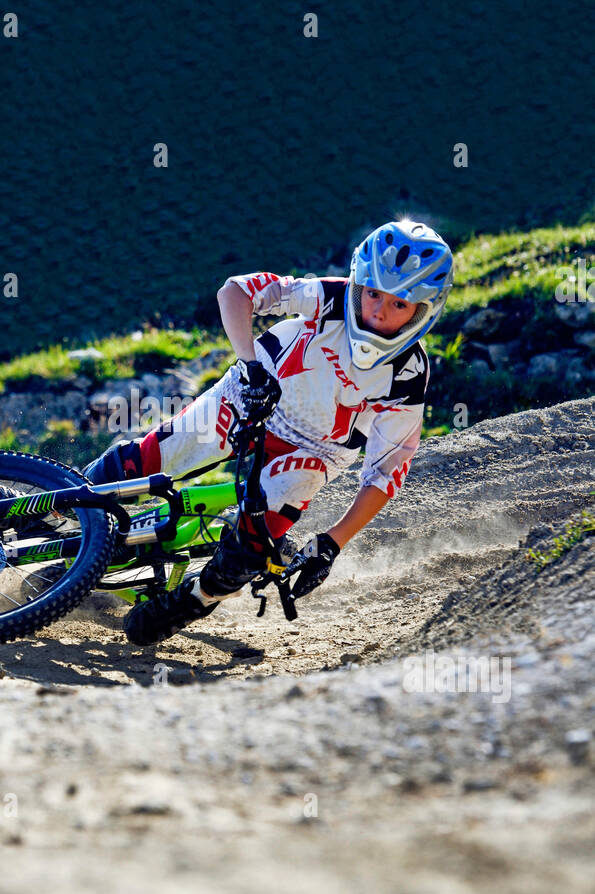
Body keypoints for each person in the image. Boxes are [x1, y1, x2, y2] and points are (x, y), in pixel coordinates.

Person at [84, 220, 454, 645]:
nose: (378, 311)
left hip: (316, 452)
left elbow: (385, 473)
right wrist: (249, 364)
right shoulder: (329, 297)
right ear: (358, 284)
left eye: (399, 303)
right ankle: (43, 504)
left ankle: (189, 602)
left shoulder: (409, 376)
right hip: (250, 396)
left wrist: (332, 544)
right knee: (145, 461)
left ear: (425, 310)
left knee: (256, 545)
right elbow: (235, 292)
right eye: (372, 292)